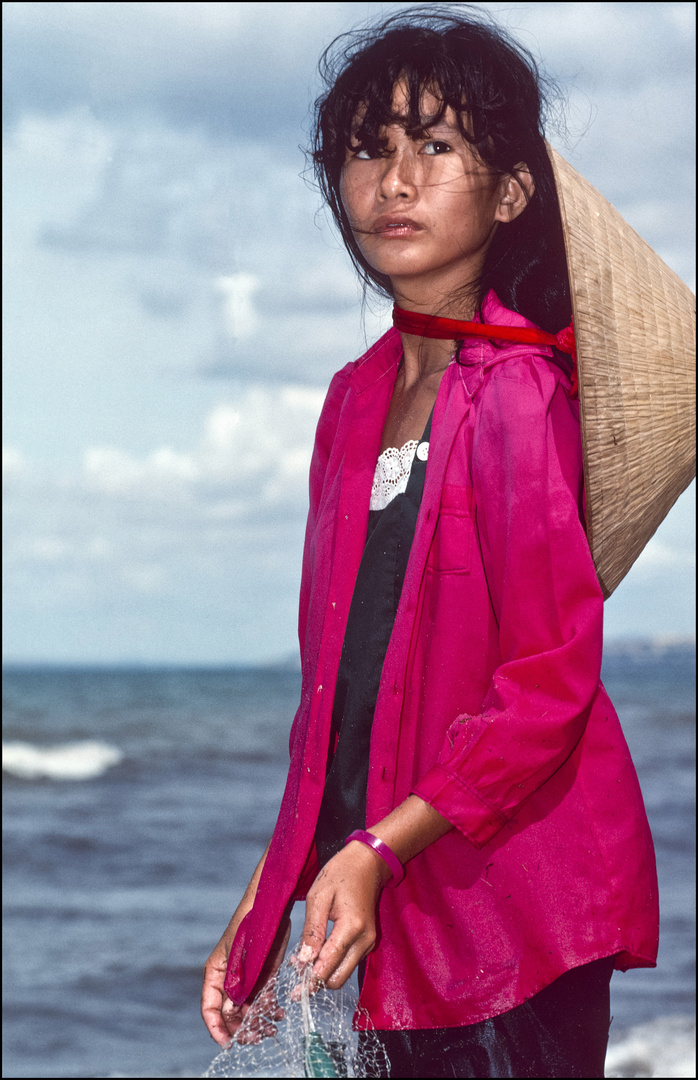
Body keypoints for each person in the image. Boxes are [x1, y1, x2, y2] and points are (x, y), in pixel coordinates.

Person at [201, 8, 661, 1077]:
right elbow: (337, 700)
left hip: (509, 904)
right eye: (367, 149)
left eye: (433, 146)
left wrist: (372, 850)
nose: (394, 180)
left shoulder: (516, 397)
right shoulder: (349, 400)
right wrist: (269, 893)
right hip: (388, 886)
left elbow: (546, 683)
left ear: (506, 193)